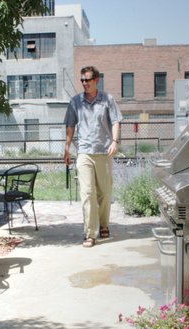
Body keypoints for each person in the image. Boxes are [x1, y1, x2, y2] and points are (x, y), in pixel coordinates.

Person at [63, 65, 123, 248]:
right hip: (84, 153)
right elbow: (70, 126)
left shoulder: (107, 100)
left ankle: (104, 224)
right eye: (82, 80)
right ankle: (90, 233)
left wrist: (114, 141)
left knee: (104, 192)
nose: (84, 83)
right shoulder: (75, 102)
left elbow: (115, 121)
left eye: (87, 80)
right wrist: (66, 148)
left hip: (104, 152)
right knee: (87, 193)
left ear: (96, 80)